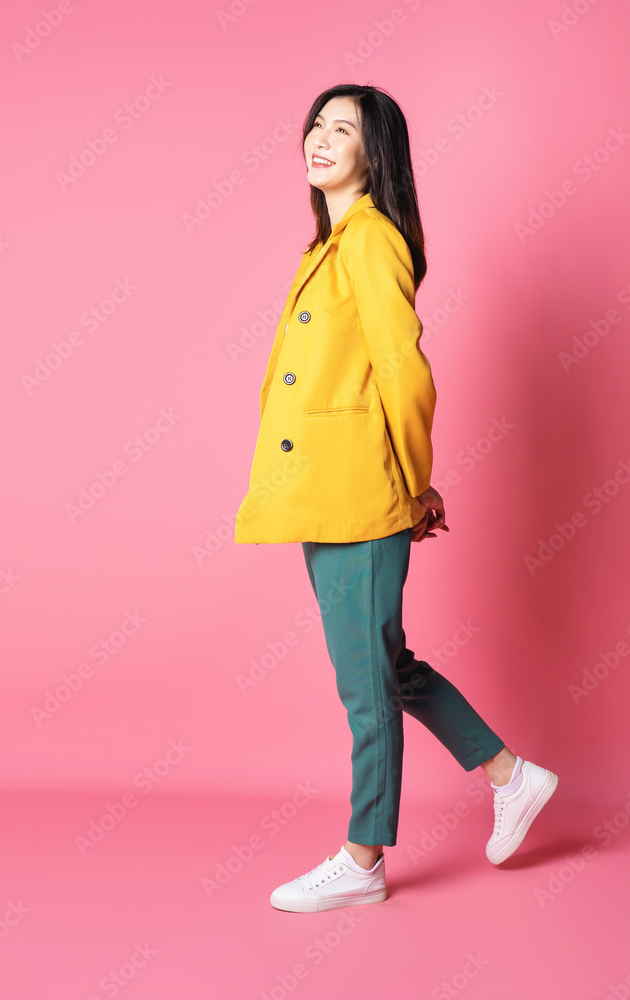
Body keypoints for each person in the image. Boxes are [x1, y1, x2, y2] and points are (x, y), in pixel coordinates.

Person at [234, 83, 558, 913]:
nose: (318, 136)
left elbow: (404, 371)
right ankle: (510, 775)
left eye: (341, 128)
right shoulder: (331, 245)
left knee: (364, 686)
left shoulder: (372, 240)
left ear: (373, 154)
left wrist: (411, 484)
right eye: (314, 122)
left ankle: (362, 858)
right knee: (386, 666)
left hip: (359, 494)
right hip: (325, 492)